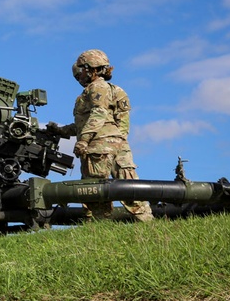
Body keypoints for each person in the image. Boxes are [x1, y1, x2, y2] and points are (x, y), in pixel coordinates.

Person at [48, 49, 153, 222]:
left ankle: (99, 229)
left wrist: (84, 141)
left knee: (95, 190)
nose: (78, 77)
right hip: (119, 145)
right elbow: (110, 123)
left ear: (91, 69)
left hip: (98, 148)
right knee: (130, 188)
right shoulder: (114, 90)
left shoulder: (96, 88)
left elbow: (98, 114)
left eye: (80, 71)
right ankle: (147, 223)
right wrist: (60, 131)